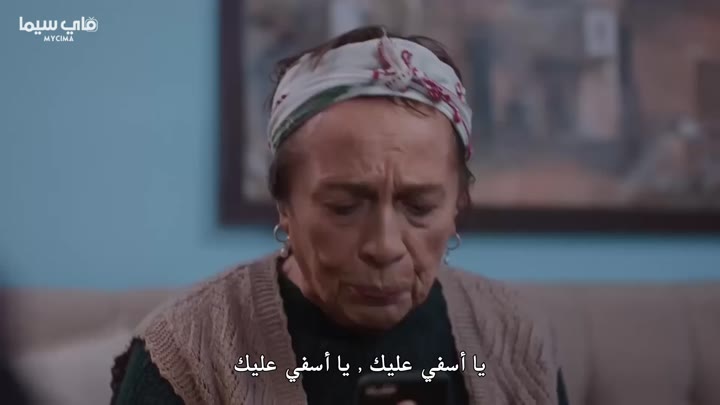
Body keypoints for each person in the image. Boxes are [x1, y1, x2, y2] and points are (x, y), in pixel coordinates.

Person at [110, 25, 570, 405]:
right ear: (285, 205)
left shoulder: (517, 338)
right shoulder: (188, 353)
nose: (384, 247)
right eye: (345, 207)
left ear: (457, 206)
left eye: (419, 207)